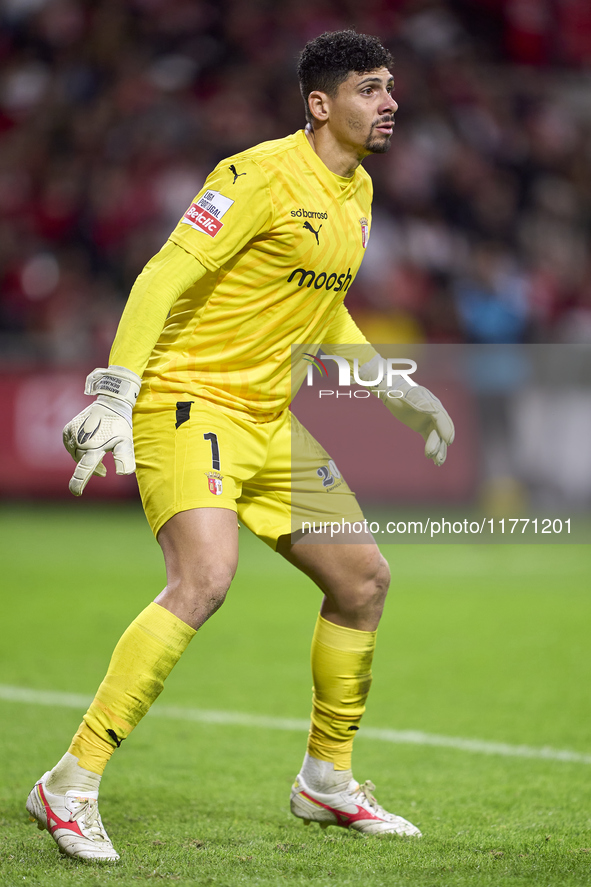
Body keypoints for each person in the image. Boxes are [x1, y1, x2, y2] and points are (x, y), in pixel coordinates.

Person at [26, 30, 454, 861]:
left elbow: (319, 305)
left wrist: (395, 385)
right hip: (191, 402)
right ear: (320, 104)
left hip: (268, 420)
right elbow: (162, 274)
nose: (390, 101)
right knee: (203, 578)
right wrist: (118, 390)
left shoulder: (356, 191)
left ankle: (325, 780)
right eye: (370, 88)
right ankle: (69, 781)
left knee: (362, 580)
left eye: (391, 86)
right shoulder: (252, 176)